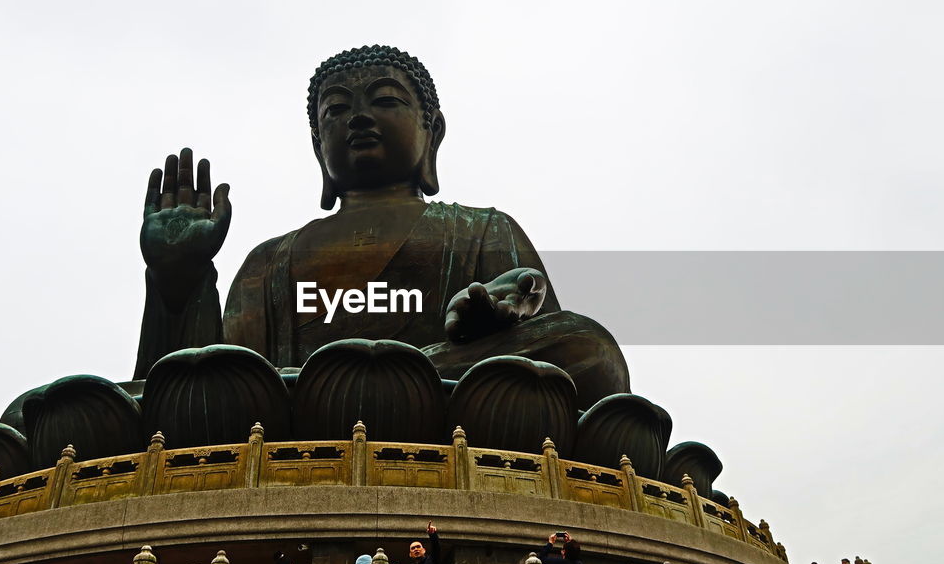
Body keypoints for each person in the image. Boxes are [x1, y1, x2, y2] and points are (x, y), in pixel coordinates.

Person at [134, 46, 629, 408]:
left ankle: (355, 386)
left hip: (427, 397)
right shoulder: (270, 259)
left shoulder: (483, 230)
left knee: (589, 348)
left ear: (432, 132)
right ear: (316, 146)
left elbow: (549, 341)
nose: (359, 118)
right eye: (337, 110)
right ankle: (358, 386)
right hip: (302, 408)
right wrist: (179, 280)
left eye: (385, 101)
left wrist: (496, 321)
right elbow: (207, 382)